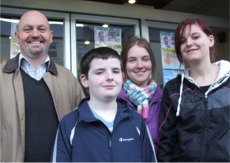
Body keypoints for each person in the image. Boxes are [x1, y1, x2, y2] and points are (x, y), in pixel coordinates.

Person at [0, 10, 85, 162]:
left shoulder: (68, 78)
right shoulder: (1, 77)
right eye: (27, 29)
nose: (35, 34)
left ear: (50, 36)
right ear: (17, 36)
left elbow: (85, 127)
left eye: (41, 29)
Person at [51, 47, 157, 162]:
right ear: (84, 80)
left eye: (115, 71)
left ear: (122, 77)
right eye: (100, 72)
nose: (110, 77)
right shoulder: (69, 124)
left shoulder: (136, 121)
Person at [157, 18, 230, 162]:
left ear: (210, 40)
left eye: (195, 37)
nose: (189, 43)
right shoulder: (174, 89)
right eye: (182, 41)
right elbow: (166, 141)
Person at [118, 36, 163, 152]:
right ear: (124, 65)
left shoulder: (164, 99)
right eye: (132, 60)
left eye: (145, 59)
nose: (139, 65)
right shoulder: (114, 100)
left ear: (152, 63)